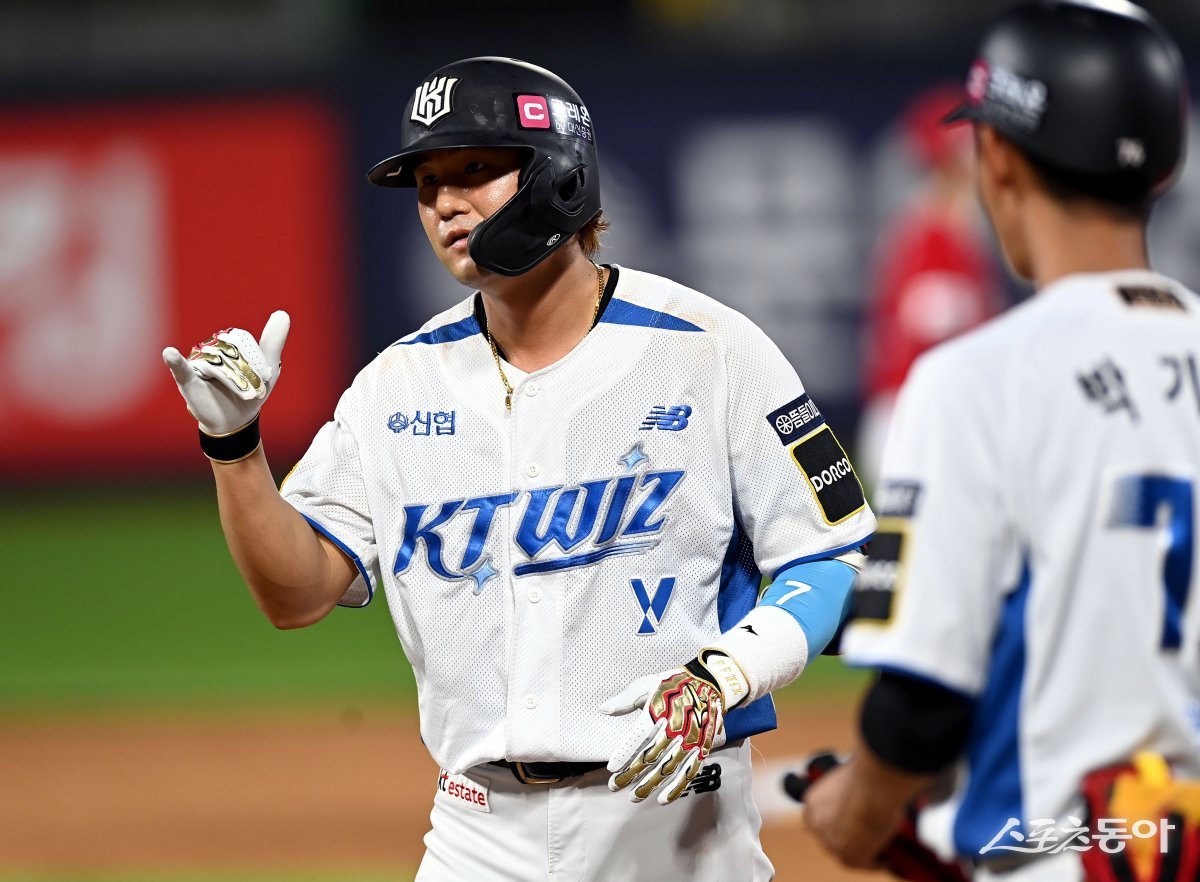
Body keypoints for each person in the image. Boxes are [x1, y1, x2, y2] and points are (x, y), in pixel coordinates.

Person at [163, 57, 876, 882]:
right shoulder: (396, 386)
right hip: (476, 834)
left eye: (474, 169)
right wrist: (235, 446)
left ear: (561, 175)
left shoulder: (710, 350)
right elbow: (295, 595)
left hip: (677, 821)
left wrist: (726, 676)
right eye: (427, 183)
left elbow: (833, 558)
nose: (444, 203)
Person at [801, 2, 1200, 881]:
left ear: (999, 157)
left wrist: (863, 805)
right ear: (1168, 165)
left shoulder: (975, 380)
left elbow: (921, 705)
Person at [857, 84, 1006, 491]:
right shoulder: (926, 233)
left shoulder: (954, 229)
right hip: (912, 417)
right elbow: (928, 326)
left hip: (929, 417)